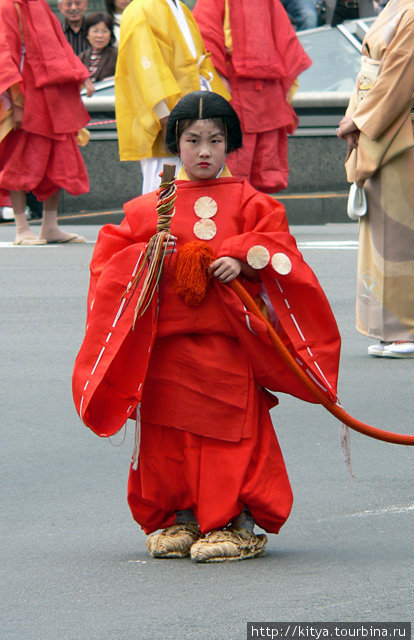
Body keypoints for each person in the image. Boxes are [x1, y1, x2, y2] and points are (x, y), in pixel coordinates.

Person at [73, 91, 341, 562]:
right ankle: (180, 517)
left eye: (215, 141)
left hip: (227, 348)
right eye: (193, 140)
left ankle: (232, 522)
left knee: (227, 436)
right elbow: (109, 267)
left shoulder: (253, 202)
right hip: (166, 351)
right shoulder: (148, 209)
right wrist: (149, 257)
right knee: (166, 437)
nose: (203, 152)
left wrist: (242, 258)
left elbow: (282, 255)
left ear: (229, 144)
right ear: (175, 144)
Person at [337, 0, 414, 358]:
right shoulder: (398, 6)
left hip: (400, 128)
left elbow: (400, 75)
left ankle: (405, 328)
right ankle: (388, 328)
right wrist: (356, 114)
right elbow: (373, 73)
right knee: (382, 225)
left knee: (400, 231)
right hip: (379, 119)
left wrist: (360, 119)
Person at [0, 0, 94, 245]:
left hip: (52, 95)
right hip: (25, 94)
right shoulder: (7, 6)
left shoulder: (40, 5)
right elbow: (4, 54)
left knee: (59, 160)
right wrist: (16, 103)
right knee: (18, 162)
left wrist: (82, 76)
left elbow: (60, 46)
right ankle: (22, 228)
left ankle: (50, 226)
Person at [193, 0, 312, 194]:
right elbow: (205, 35)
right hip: (235, 88)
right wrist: (219, 76)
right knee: (232, 168)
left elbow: (285, 38)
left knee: (265, 170)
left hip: (269, 91)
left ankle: (256, 216)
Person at [114, 0, 231, 194]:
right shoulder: (142, 9)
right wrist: (165, 119)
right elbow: (145, 71)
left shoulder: (180, 7)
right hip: (168, 121)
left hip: (195, 116)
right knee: (165, 196)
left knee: (198, 198)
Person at [79, 12, 118, 82]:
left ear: (110, 34)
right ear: (87, 34)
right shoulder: (82, 57)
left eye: (104, 31)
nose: (99, 35)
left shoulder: (117, 54)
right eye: (95, 31)